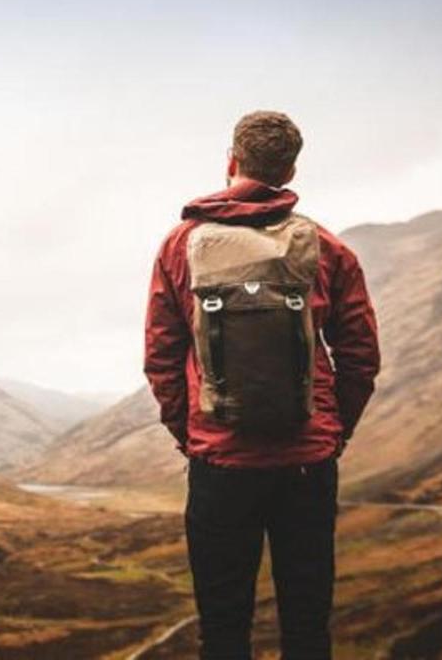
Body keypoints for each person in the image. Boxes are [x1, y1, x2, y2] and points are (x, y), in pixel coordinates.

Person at [143, 111, 380, 660]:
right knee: (306, 626)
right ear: (291, 170)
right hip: (306, 464)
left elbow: (160, 358)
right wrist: (332, 432)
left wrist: (194, 435)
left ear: (231, 161)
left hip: (220, 466)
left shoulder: (181, 246)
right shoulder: (326, 248)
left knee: (223, 630)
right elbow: (361, 356)